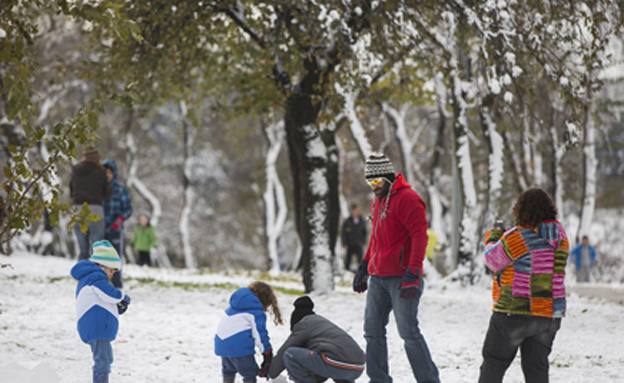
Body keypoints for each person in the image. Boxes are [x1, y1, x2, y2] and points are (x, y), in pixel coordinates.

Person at [352, 153, 440, 383]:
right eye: (369, 182)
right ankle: (378, 379)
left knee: (408, 333)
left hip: (403, 278)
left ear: (389, 177)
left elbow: (420, 236)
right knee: (372, 331)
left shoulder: (408, 199)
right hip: (378, 278)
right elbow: (376, 238)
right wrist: (364, 266)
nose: (374, 187)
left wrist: (413, 271)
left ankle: (429, 380)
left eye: (377, 181)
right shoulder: (378, 200)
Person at [478, 187, 569, 383]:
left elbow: (492, 260)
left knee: (493, 364)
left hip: (515, 311)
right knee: (537, 369)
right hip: (548, 314)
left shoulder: (519, 237)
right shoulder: (561, 237)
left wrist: (494, 238)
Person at [70, 240, 131, 383]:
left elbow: (102, 301)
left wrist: (117, 307)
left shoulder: (91, 278)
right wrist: (123, 297)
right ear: (102, 265)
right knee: (102, 361)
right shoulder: (95, 277)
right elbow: (111, 294)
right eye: (111, 271)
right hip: (97, 327)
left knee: (107, 358)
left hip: (97, 326)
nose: (111, 275)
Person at [268, 296, 365, 383]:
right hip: (358, 366)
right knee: (338, 366)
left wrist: (269, 372)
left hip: (335, 361)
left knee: (290, 354)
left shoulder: (304, 324)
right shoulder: (321, 325)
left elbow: (286, 349)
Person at [215, 281, 283, 383]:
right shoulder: (255, 312)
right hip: (238, 348)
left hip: (221, 345)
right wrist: (267, 353)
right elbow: (260, 335)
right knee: (250, 373)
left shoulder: (233, 307)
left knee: (228, 371)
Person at [70, 145, 112, 261]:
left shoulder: (75, 169)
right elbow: (106, 193)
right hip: (96, 211)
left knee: (83, 251)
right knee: (97, 250)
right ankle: (96, 277)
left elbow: (71, 191)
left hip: (78, 211)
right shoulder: (101, 171)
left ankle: (82, 277)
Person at [102, 159, 133, 288]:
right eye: (105, 172)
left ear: (114, 174)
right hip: (100, 228)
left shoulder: (120, 190)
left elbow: (128, 208)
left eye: (110, 172)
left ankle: (117, 285)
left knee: (115, 258)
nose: (107, 175)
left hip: (115, 229)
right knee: (100, 258)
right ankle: (101, 284)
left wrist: (120, 219)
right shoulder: (97, 190)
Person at [341, 203, 367, 272]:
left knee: (360, 261)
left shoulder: (362, 221)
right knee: (348, 261)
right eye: (356, 210)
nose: (358, 211)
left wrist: (363, 241)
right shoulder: (347, 221)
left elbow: (364, 233)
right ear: (352, 210)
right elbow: (343, 233)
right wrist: (344, 244)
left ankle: (360, 272)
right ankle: (347, 272)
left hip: (358, 244)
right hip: (349, 245)